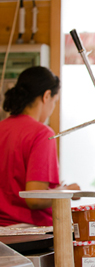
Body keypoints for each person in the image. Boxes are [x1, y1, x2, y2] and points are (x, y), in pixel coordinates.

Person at [0, 66, 80, 227]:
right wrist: (66, 192)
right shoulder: (42, 134)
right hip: (30, 234)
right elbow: (34, 198)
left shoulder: (2, 128)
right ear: (47, 95)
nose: (52, 108)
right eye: (55, 102)